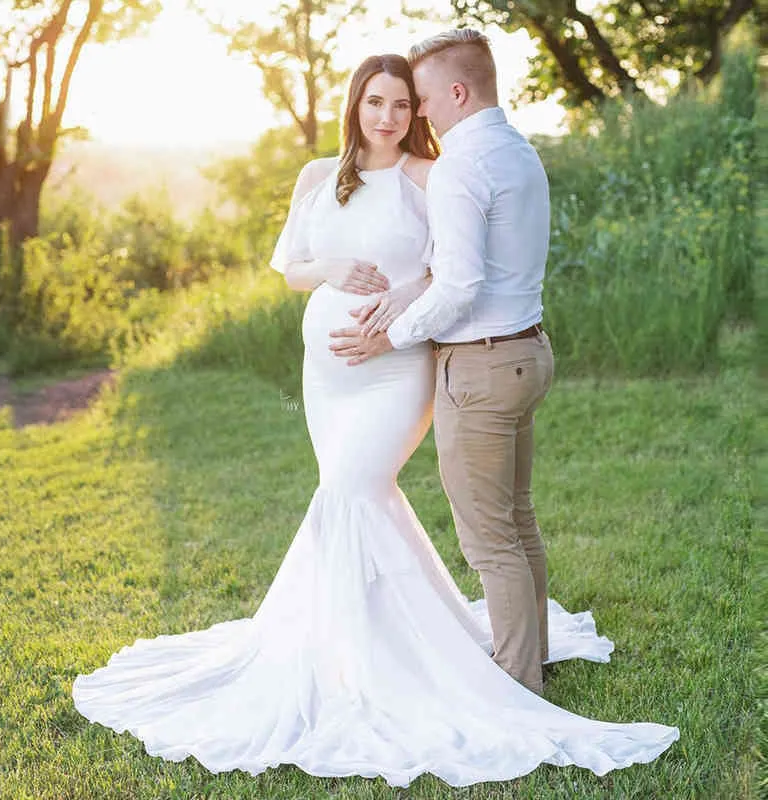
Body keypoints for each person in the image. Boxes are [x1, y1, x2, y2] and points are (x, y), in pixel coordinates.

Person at [72, 52, 678, 788]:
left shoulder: (431, 175)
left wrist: (400, 297)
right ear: (355, 105)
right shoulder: (316, 177)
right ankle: (354, 641)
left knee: (356, 490)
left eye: (402, 104)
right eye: (376, 103)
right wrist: (328, 272)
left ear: (418, 111)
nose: (390, 117)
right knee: (356, 497)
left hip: (396, 367)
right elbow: (290, 265)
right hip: (327, 375)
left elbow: (456, 263)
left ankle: (387, 663)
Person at [329, 28, 553, 696]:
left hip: (482, 368)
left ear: (456, 93)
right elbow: (467, 264)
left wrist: (390, 336)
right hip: (528, 352)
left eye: (422, 99)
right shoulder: (518, 152)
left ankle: (518, 686)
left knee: (489, 541)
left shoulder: (459, 165)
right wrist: (405, 291)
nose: (417, 114)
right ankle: (534, 654)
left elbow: (459, 288)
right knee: (517, 520)